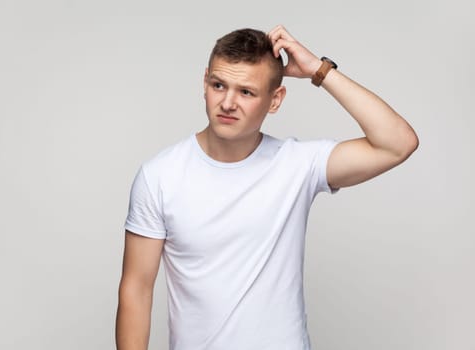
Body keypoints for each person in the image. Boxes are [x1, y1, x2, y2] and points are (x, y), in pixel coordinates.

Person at [115, 25, 418, 350]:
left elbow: (397, 143)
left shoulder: (298, 164)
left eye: (246, 92)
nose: (228, 103)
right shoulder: (160, 176)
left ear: (275, 100)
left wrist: (320, 70)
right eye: (219, 85)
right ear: (205, 83)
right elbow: (136, 290)